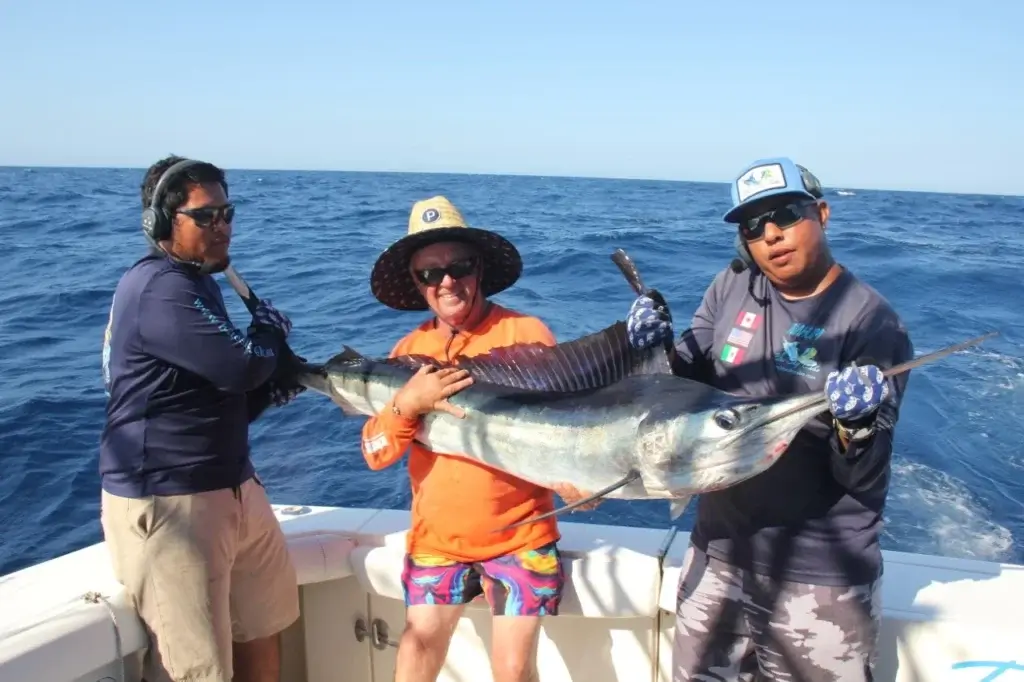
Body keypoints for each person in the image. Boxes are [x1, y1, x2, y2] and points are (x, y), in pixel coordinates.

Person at [625, 157, 914, 681]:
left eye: (786, 214)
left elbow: (864, 474)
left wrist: (860, 426)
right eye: (753, 226)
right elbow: (687, 376)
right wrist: (656, 349)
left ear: (822, 213)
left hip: (819, 572)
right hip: (717, 549)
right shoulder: (732, 286)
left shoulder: (872, 322)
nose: (772, 234)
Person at [360, 196, 596, 682]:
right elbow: (376, 453)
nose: (447, 281)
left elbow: (568, 430)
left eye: (458, 266)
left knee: (512, 670)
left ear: (478, 269)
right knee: (414, 651)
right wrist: (408, 403)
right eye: (430, 274)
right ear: (417, 284)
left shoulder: (526, 333)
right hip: (437, 541)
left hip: (521, 537)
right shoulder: (407, 353)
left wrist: (584, 483)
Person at [99, 155, 306, 682]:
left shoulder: (199, 283)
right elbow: (241, 366)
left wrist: (270, 384)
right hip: (173, 504)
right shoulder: (160, 289)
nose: (223, 228)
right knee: (199, 670)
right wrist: (267, 336)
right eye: (206, 217)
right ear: (162, 223)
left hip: (232, 485)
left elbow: (220, 393)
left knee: (265, 623)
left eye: (227, 213)